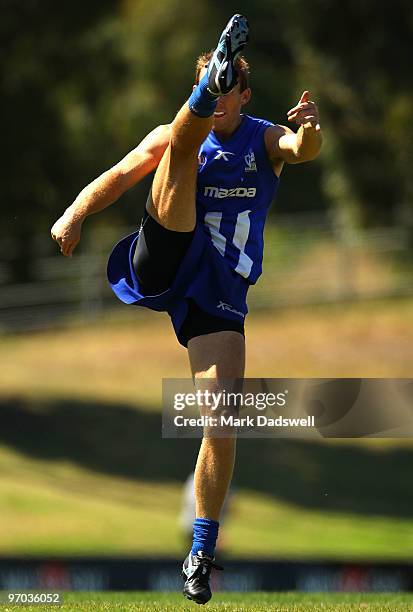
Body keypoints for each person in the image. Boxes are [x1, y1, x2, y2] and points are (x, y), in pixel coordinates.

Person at [51, 14, 322, 605]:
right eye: (211, 88)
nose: (223, 99)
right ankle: (197, 94)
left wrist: (310, 130)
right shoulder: (175, 135)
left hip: (220, 289)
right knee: (180, 143)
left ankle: (201, 549)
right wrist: (74, 214)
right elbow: (121, 174)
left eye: (226, 89)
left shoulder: (262, 138)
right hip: (167, 253)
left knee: (222, 422)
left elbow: (301, 149)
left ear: (244, 96)